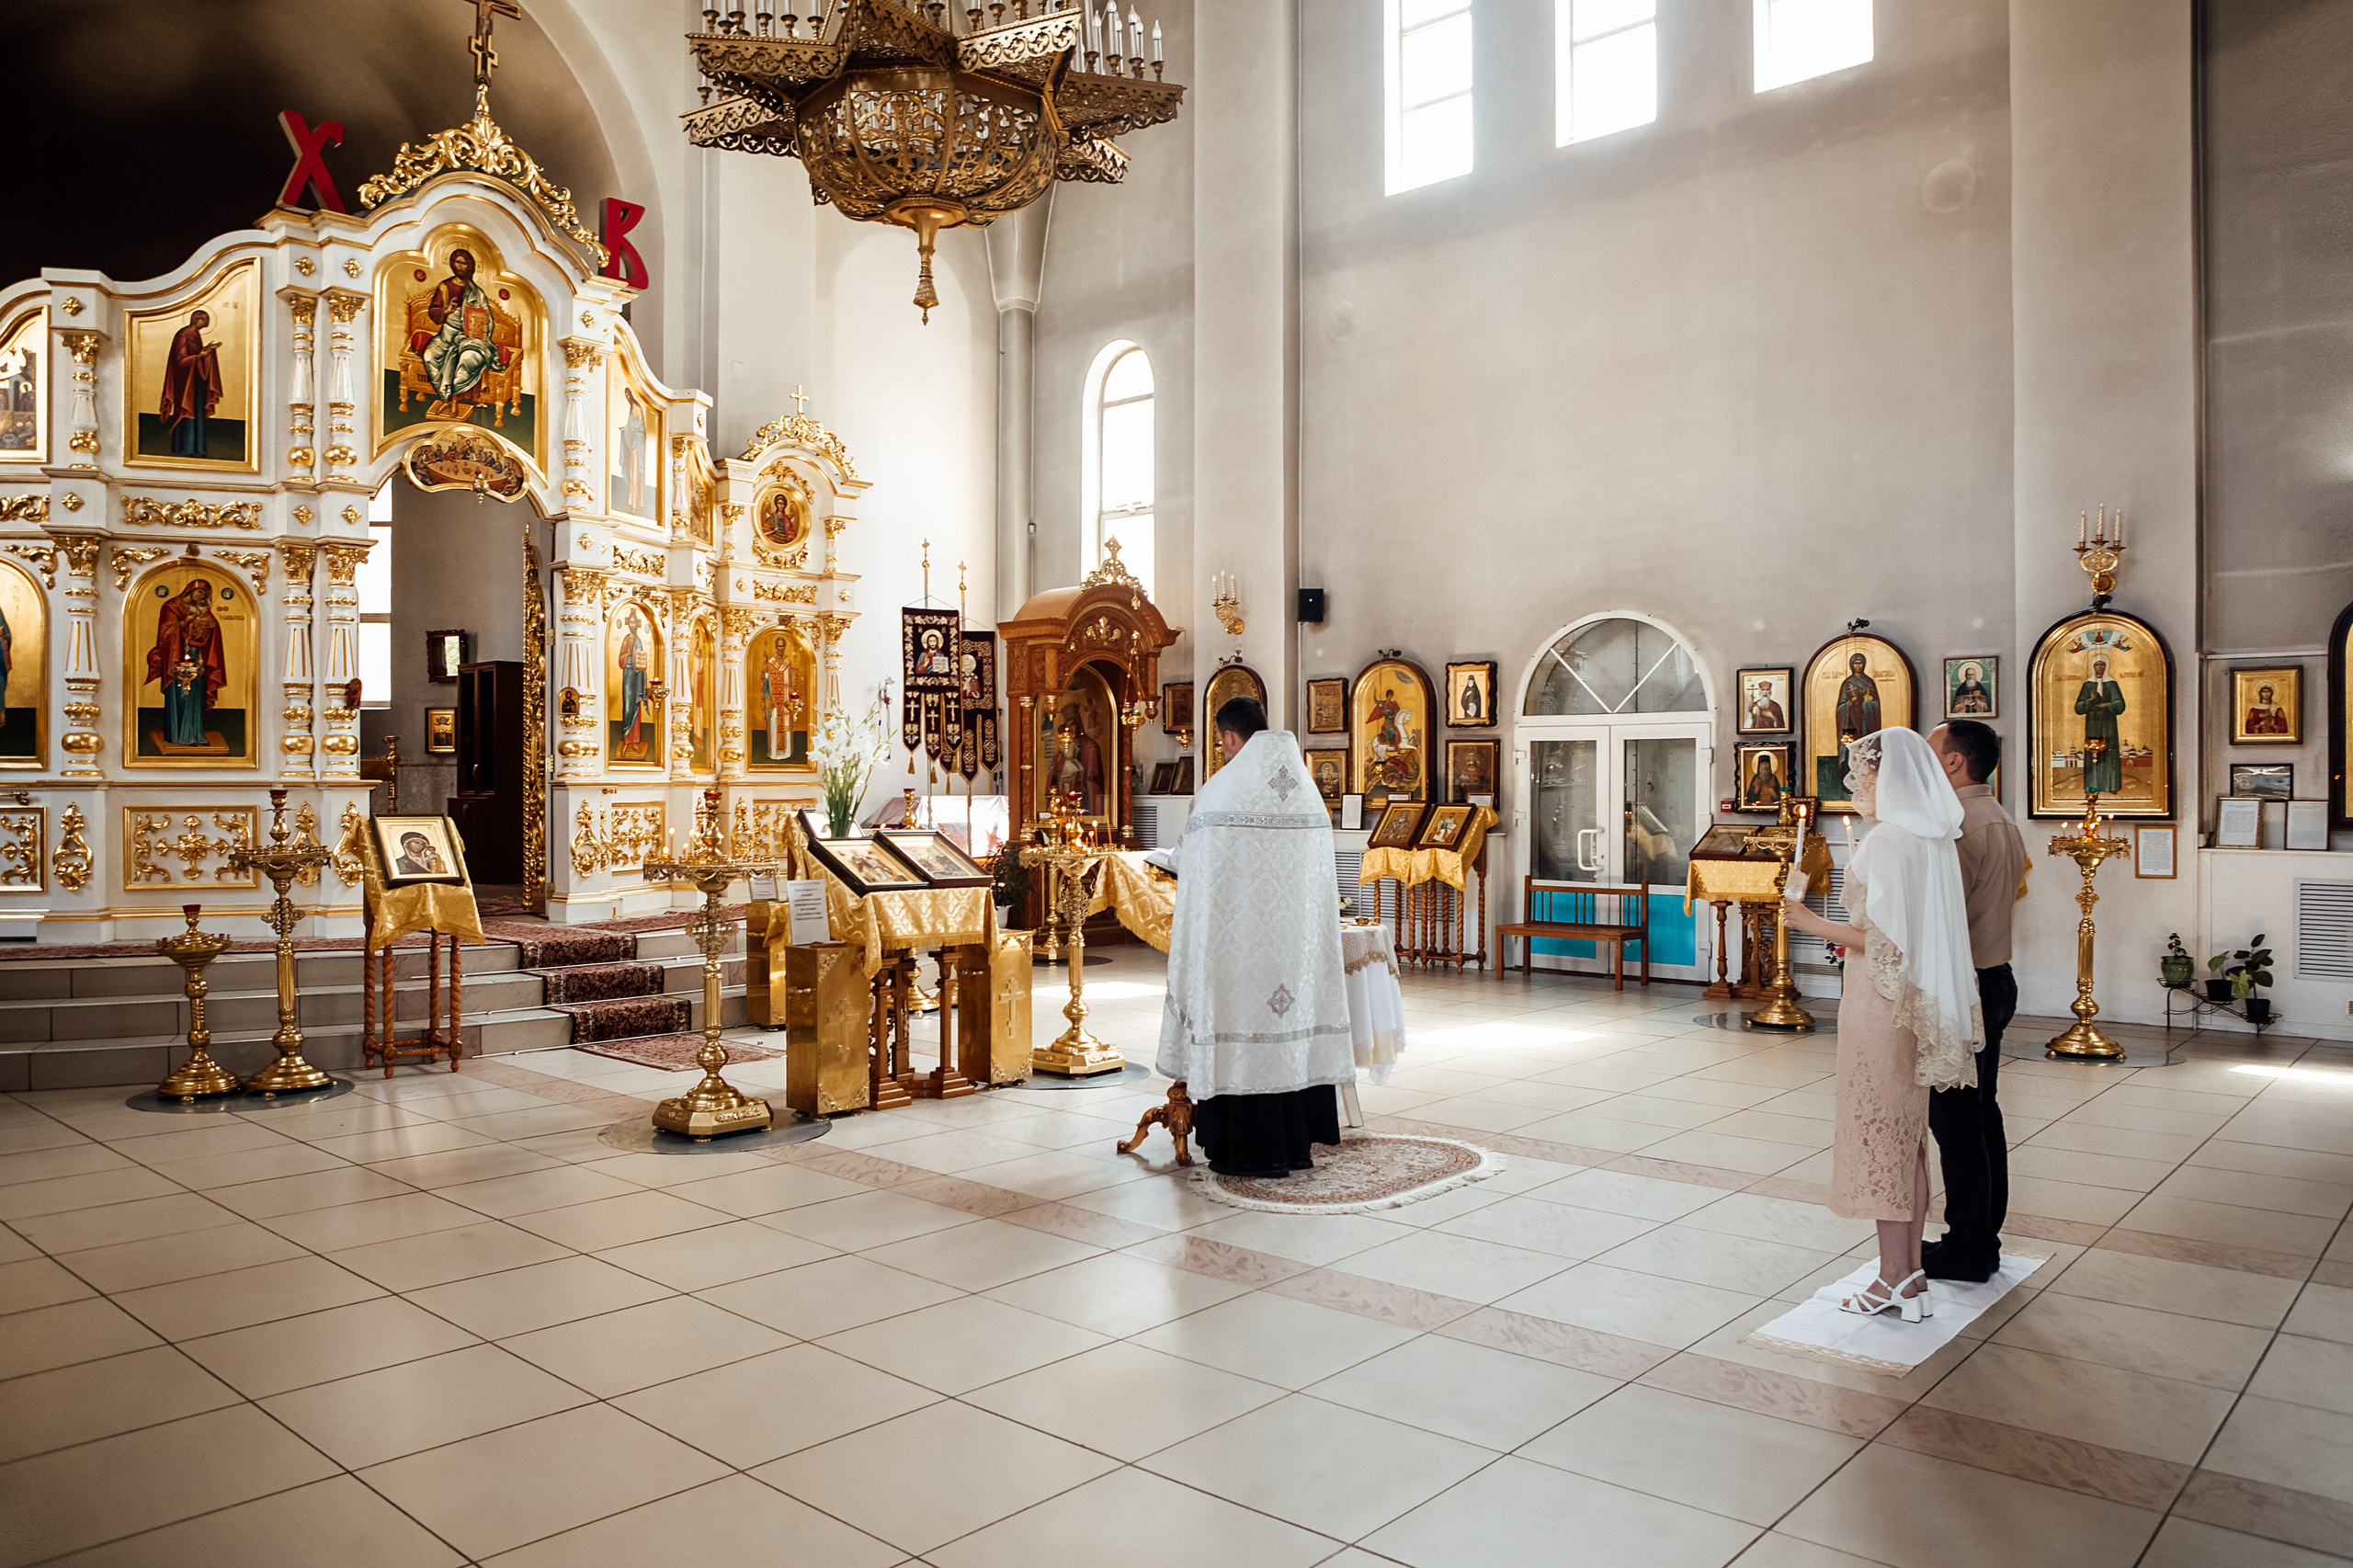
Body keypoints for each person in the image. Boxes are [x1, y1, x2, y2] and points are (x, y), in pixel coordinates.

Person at [1783, 728, 1982, 1323]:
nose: (1859, 786)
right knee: (1907, 1140)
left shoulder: (1885, 842)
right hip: (1913, 1003)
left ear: (1886, 776)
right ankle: (1912, 1274)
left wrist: (1806, 921)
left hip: (1880, 1003)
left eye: (1864, 775)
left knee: (1878, 1139)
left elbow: (1882, 942)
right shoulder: (1929, 838)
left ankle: (1891, 1275)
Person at [1155, 696, 1353, 1177]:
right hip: (1293, 949)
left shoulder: (1221, 792)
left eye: (1222, 743)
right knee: (1290, 1021)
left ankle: (1247, 1148)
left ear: (1229, 737)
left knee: (1238, 1021)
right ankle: (1295, 1143)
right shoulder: (1307, 789)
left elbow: (1194, 864)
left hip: (1239, 952)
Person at [1921, 719, 2026, 1283]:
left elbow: (1941, 918)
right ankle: (1982, 1239)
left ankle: (1967, 1249)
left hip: (1964, 987)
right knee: (1981, 1116)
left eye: (1931, 752)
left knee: (1958, 1123)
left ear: (1955, 762)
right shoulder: (1998, 816)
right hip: (1995, 976)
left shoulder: (1957, 826)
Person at [159, 309, 224, 459]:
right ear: (197, 320)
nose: (206, 324)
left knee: (197, 413)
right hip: (185, 383)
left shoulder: (195, 335)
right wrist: (199, 356)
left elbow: (196, 356)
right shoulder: (184, 335)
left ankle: (198, 449)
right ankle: (185, 448)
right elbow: (180, 361)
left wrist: (208, 351)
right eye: (205, 321)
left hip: (195, 382)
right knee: (186, 411)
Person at [2075, 653, 2126, 795]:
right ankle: (2092, 786)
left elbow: (2120, 704)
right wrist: (2090, 701)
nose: (2100, 667)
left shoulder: (2112, 683)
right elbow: (2078, 708)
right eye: (2097, 664)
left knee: (2110, 752)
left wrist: (2108, 705)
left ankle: (2111, 785)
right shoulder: (2088, 685)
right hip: (2092, 724)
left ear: (2107, 666)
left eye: (2102, 664)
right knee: (2092, 752)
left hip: (2109, 724)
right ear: (2093, 666)